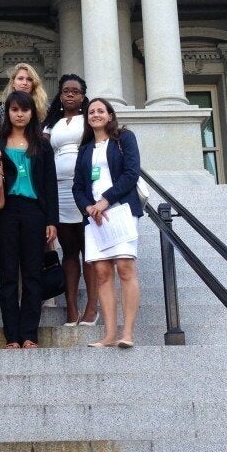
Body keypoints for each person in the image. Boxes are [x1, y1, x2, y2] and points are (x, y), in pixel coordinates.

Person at [0, 90, 57, 349]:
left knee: (32, 274)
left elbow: (49, 184)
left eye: (25, 110)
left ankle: (30, 334)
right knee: (8, 274)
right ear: (7, 112)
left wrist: (52, 220)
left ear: (32, 113)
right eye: (15, 110)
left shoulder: (41, 144)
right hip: (4, 212)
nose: (20, 114)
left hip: (34, 211)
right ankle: (12, 336)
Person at [72, 98, 144, 349]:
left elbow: (131, 173)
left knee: (125, 268)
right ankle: (109, 335)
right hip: (95, 218)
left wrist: (104, 202)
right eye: (91, 112)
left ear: (110, 115)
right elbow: (78, 186)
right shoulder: (85, 149)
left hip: (121, 210)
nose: (95, 115)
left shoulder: (124, 139)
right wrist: (90, 208)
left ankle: (128, 333)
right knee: (102, 273)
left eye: (100, 111)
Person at [43, 74, 98, 326]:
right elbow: (43, 153)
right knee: (69, 252)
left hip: (85, 189)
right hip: (59, 190)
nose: (70, 95)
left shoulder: (89, 120)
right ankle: (71, 309)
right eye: (66, 91)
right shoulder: (51, 123)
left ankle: (91, 308)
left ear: (83, 96)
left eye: (76, 91)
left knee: (89, 251)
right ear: (60, 95)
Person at [0, 63, 49, 135]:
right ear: (13, 83)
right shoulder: (4, 109)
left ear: (34, 83)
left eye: (29, 79)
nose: (25, 83)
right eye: (20, 78)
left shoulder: (44, 108)